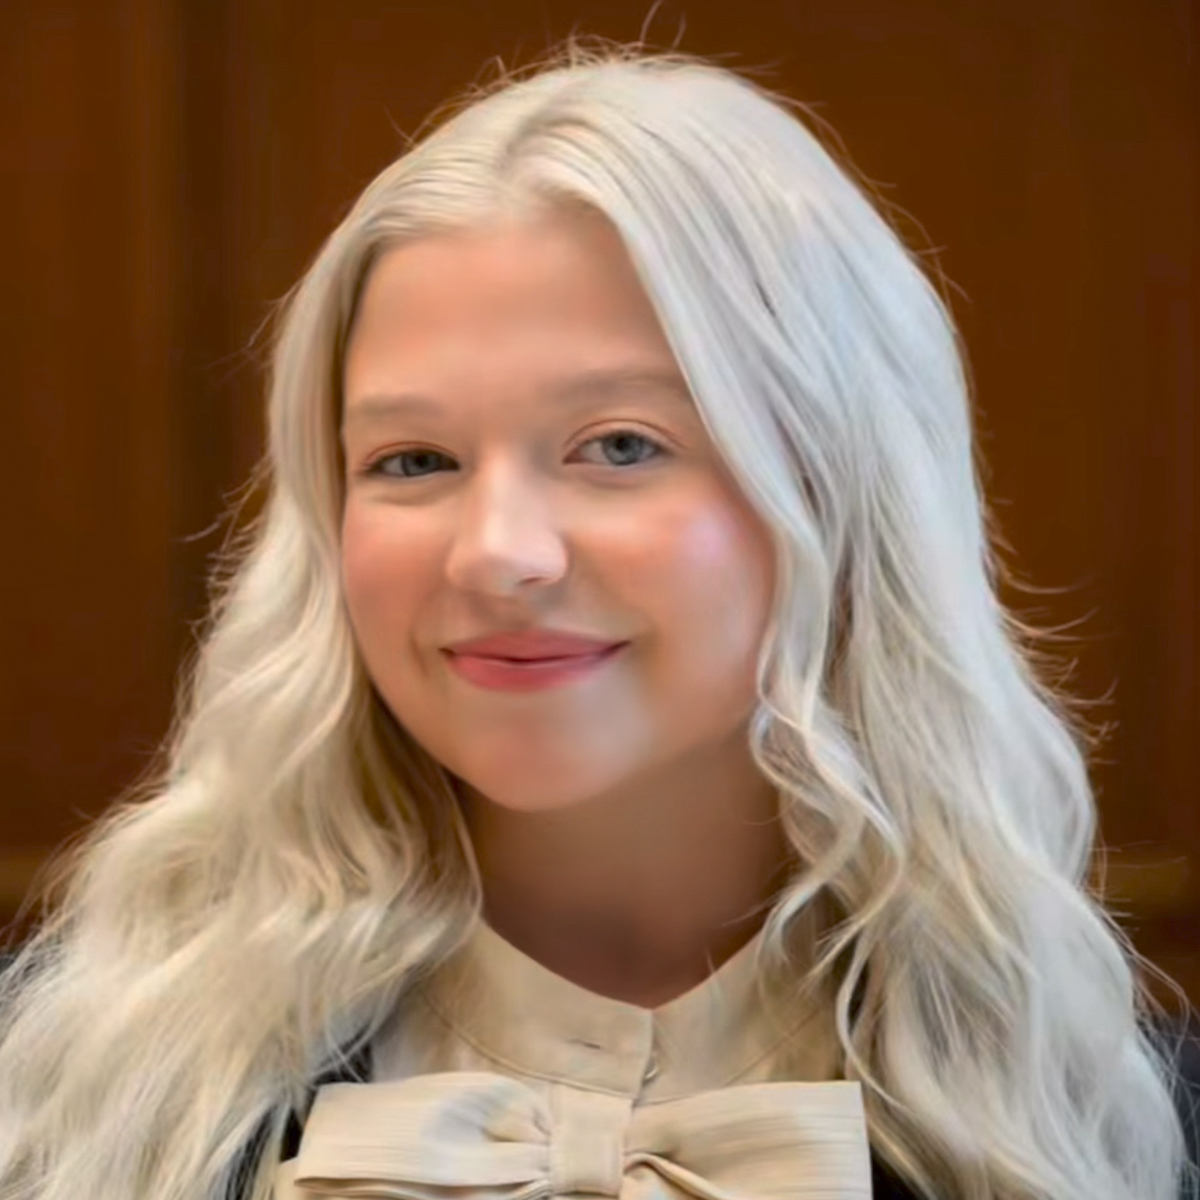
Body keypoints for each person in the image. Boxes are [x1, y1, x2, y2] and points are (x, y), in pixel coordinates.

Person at [0, 39, 1195, 1200]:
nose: (499, 553)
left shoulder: (1138, 1138)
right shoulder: (51, 1094)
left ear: (846, 493)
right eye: (414, 459)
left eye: (621, 444)